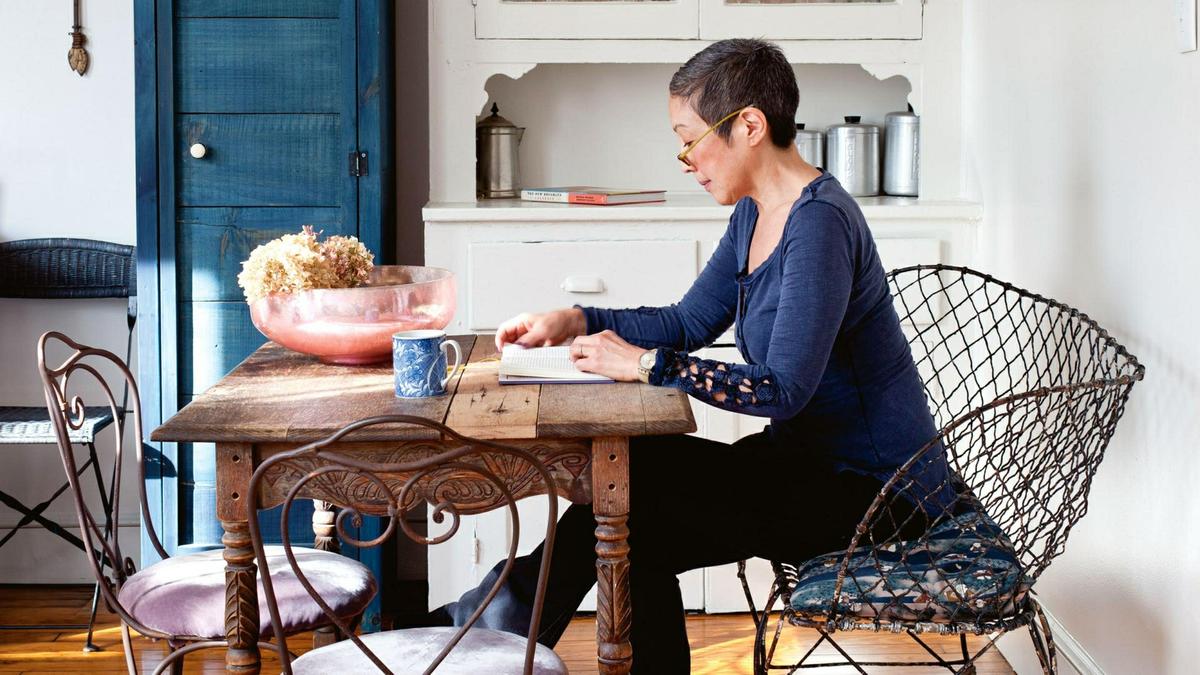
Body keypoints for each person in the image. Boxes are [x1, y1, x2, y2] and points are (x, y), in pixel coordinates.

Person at [432, 38, 954, 673]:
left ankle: (474, 631)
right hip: (805, 467)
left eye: (689, 138)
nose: (685, 160)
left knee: (628, 512)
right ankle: (482, 627)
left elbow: (779, 390)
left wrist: (647, 366)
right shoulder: (755, 213)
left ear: (750, 126)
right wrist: (578, 319)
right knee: (624, 507)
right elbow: (689, 320)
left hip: (875, 496)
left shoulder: (819, 224)